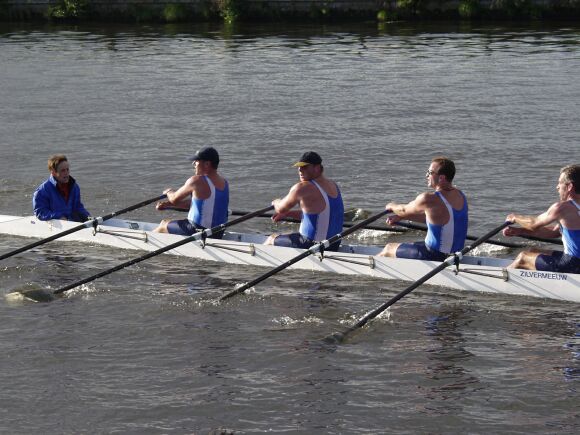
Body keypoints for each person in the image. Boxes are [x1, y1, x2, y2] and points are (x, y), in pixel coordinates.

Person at [378, 157, 468, 261]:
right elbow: (441, 221)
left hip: (433, 255)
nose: (426, 175)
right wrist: (401, 217)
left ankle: (370, 267)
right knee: (411, 244)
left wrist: (391, 206)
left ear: (441, 178)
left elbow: (403, 210)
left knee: (388, 248)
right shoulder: (460, 195)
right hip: (457, 255)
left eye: (430, 172)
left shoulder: (429, 199)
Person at [503, 164, 580, 273]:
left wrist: (515, 217)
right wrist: (520, 231)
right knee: (533, 251)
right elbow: (554, 232)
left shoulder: (562, 208)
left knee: (523, 257)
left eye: (560, 183)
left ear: (569, 187)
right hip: (575, 262)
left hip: (573, 264)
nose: (557, 187)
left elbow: (533, 224)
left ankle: (500, 278)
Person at [265, 151, 344, 251]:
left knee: (271, 238)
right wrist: (288, 214)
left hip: (311, 245)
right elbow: (320, 216)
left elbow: (280, 208)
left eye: (304, 167)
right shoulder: (333, 185)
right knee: (288, 235)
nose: (300, 170)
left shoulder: (302, 188)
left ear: (317, 168)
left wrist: (276, 202)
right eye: (299, 167)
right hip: (333, 245)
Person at [154, 147, 229, 239]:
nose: (193, 164)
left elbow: (174, 199)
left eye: (196, 161)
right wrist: (168, 205)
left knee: (163, 224)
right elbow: (203, 205)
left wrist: (169, 192)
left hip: (197, 231)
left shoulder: (196, 181)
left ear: (207, 164)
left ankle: (146, 242)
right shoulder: (224, 182)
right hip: (218, 232)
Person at [32, 154, 90, 222]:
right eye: (63, 170)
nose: (66, 173)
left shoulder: (74, 187)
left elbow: (78, 207)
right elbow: (40, 212)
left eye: (67, 169)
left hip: (72, 223)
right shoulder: (42, 191)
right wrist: (59, 217)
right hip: (56, 225)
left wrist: (88, 217)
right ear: (53, 172)